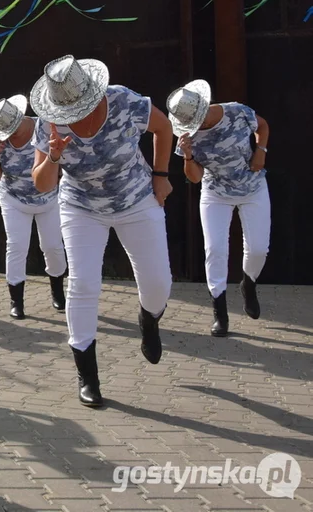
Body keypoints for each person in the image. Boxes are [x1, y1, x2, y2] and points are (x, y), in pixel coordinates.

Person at [29, 56, 173, 408]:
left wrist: (161, 175)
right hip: (81, 207)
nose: (72, 116)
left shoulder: (124, 100)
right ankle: (87, 376)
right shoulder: (48, 124)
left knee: (158, 283)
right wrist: (53, 157)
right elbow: (41, 184)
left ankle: (149, 318)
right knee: (83, 282)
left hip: (137, 198)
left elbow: (164, 127)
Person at [167, 80, 270, 337]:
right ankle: (220, 312)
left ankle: (248, 283)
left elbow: (263, 125)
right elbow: (194, 177)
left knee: (258, 249)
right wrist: (189, 156)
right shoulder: (186, 136)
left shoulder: (236, 112)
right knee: (215, 249)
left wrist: (261, 150)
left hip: (252, 187)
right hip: (215, 192)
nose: (194, 128)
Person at [0, 95, 67, 318]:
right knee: (17, 245)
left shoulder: (46, 127)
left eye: (11, 128)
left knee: (52, 246)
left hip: (48, 198)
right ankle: (16, 301)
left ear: (21, 118)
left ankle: (58, 292)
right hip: (14, 199)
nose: (7, 133)